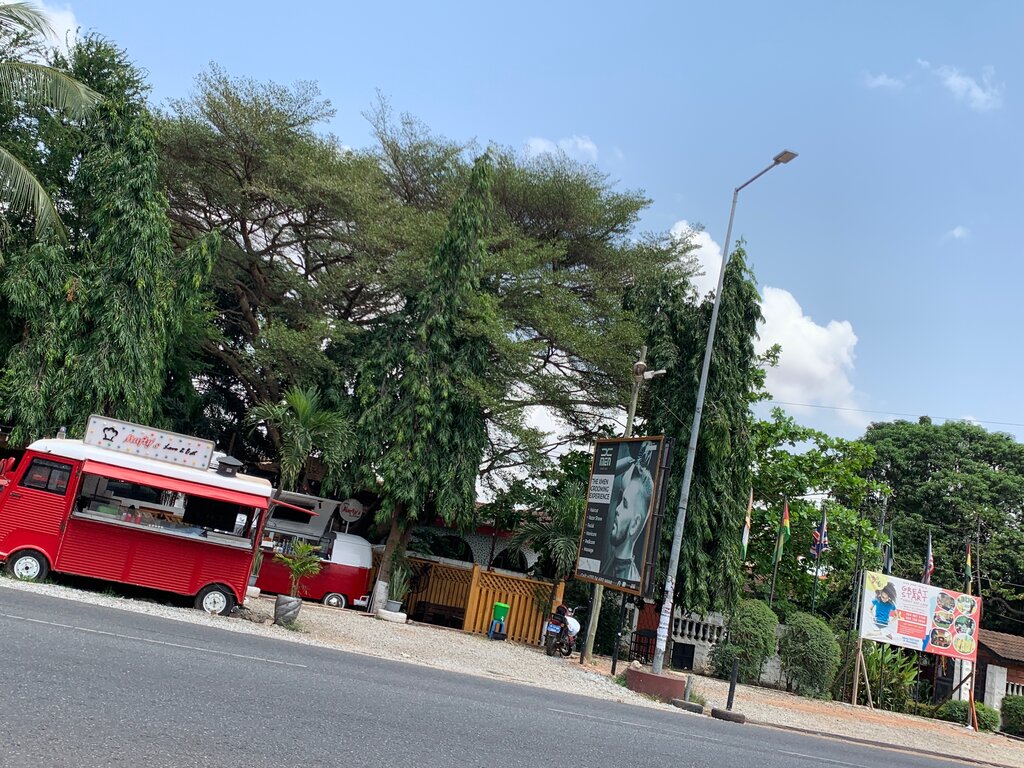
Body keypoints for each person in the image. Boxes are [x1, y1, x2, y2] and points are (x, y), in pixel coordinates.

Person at [602, 445, 655, 584]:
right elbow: (605, 473)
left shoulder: (631, 579)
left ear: (635, 524)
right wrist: (634, 462)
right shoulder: (606, 560)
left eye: (624, 504)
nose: (617, 509)